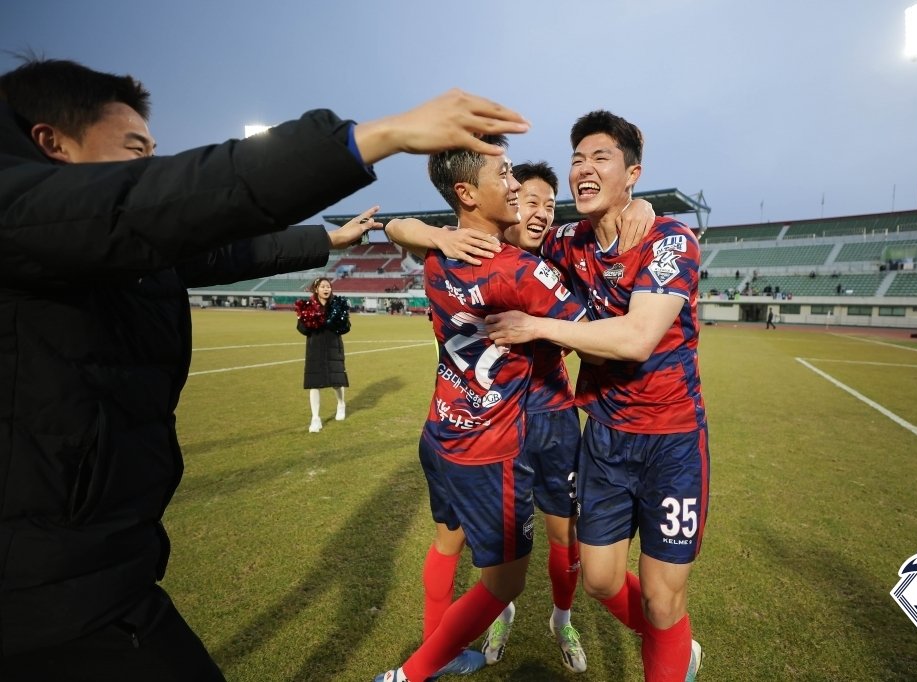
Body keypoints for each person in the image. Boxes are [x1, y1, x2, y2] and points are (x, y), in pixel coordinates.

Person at [0, 56, 528, 682]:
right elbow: (157, 201)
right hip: (44, 584)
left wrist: (325, 241)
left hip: (96, 563)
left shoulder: (95, 243)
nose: (150, 165)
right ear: (53, 144)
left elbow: (217, 248)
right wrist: (377, 136)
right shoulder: (22, 208)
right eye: (136, 151)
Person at [485, 110, 708, 682]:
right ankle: (675, 647)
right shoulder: (570, 241)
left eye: (600, 158)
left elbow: (636, 338)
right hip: (605, 439)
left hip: (671, 442)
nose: (583, 169)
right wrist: (421, 231)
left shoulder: (670, 240)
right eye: (577, 159)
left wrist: (538, 327)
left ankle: (670, 650)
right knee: (602, 581)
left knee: (662, 598)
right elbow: (510, 234)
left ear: (632, 173)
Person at [375, 137, 588, 682]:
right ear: (469, 193)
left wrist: (431, 233)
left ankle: (549, 622)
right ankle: (416, 670)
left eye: (548, 203)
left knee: (537, 538)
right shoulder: (519, 269)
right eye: (512, 181)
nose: (525, 198)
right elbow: (597, 333)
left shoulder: (441, 252)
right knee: (504, 579)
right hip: (494, 440)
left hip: (452, 427)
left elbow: (395, 226)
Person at [297, 276, 356, 432]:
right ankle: (315, 418)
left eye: (328, 286)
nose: (326, 289)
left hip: (333, 346)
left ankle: (341, 404)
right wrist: (305, 320)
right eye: (323, 286)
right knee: (314, 383)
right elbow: (302, 329)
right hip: (315, 348)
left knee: (336, 381)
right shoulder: (308, 307)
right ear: (316, 289)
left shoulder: (337, 305)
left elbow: (346, 328)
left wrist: (339, 319)